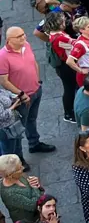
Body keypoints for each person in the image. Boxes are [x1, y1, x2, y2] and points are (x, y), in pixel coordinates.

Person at [0, 27, 53, 155]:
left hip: (36, 89)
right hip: (22, 98)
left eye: (23, 34)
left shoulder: (26, 45)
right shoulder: (3, 57)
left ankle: (34, 143)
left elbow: (34, 62)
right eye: (19, 37)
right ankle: (19, 158)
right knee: (18, 128)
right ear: (9, 40)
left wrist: (38, 81)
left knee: (32, 119)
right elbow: (4, 81)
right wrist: (21, 94)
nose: (23, 38)